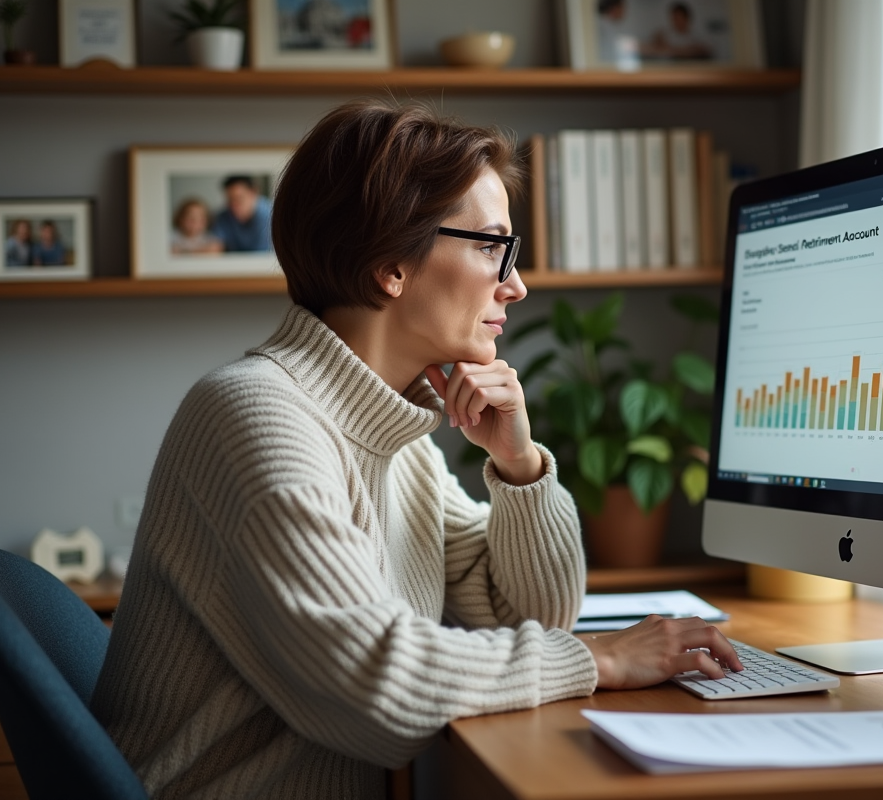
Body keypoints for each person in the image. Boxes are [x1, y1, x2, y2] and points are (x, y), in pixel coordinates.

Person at [90, 100, 741, 799]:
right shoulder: (257, 417)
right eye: (492, 247)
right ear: (390, 266)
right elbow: (380, 700)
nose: (516, 285)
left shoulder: (397, 440)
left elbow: (530, 617)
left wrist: (519, 470)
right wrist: (600, 660)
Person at [212, 175, 273, 252]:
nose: (233, 205)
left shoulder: (269, 215)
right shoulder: (224, 216)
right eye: (230, 200)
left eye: (238, 198)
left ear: (253, 193)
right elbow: (215, 246)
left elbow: (262, 256)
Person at [644, 2, 714, 61]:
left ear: (687, 18)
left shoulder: (697, 36)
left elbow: (705, 50)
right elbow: (651, 49)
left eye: (678, 18)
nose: (675, 21)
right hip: (669, 71)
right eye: (674, 18)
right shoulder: (664, 33)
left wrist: (673, 50)